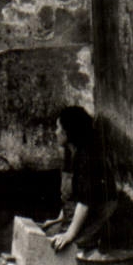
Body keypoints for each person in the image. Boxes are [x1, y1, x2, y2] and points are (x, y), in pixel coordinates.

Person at [42, 105, 117, 253]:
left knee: (70, 246)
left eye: (58, 128)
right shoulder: (71, 152)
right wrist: (58, 219)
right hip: (84, 210)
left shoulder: (88, 157)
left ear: (68, 132)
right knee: (49, 232)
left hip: (101, 214)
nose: (55, 132)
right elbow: (72, 195)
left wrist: (70, 234)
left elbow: (85, 201)